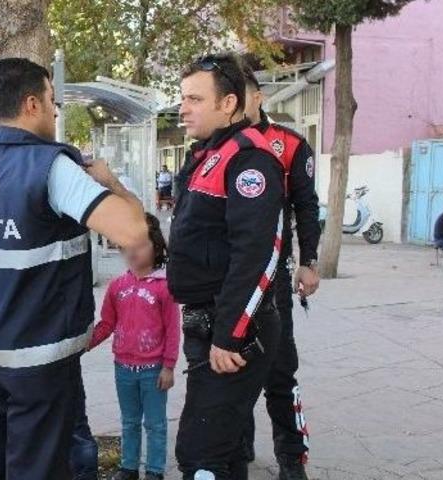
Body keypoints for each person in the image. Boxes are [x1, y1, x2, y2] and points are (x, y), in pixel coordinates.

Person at [0, 57, 148, 480]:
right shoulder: (53, 168)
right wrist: (111, 184)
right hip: (39, 359)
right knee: (37, 468)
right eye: (52, 100)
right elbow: (133, 232)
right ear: (32, 103)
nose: (55, 111)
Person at [167, 53, 285, 480]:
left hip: (230, 332)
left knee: (200, 454)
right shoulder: (209, 154)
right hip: (207, 325)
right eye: (183, 98)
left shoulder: (250, 160)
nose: (183, 108)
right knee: (227, 449)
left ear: (229, 103)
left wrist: (230, 336)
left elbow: (259, 256)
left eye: (195, 99)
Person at [241, 64, 321, 480]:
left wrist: (309, 261)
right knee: (230, 372)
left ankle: (291, 457)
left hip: (272, 282)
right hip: (225, 283)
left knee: (279, 370)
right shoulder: (213, 146)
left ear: (257, 96)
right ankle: (237, 447)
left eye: (242, 91)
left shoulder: (288, 145)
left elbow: (307, 207)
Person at [87, 213, 181, 480]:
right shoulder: (117, 286)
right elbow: (106, 324)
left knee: (155, 424)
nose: (133, 251)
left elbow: (173, 330)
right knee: (129, 421)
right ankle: (129, 467)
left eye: (140, 244)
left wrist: (169, 367)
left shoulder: (165, 288)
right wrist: (85, 344)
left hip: (153, 371)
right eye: (127, 244)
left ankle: (154, 470)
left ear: (156, 246)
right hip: (123, 369)